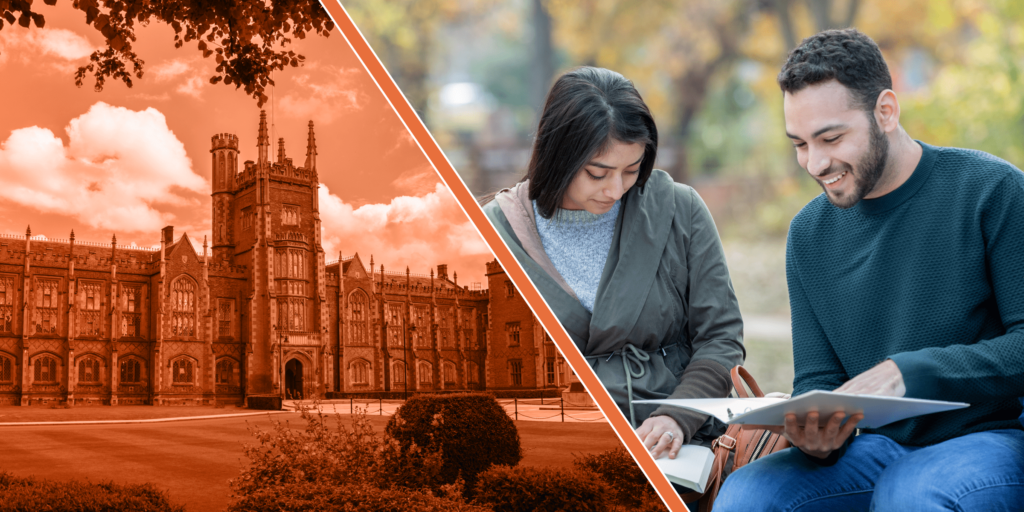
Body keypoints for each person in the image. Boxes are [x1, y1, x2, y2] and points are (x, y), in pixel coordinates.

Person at [715, 28, 1024, 511]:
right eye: (800, 144)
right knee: (747, 495)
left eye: (831, 138)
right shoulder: (808, 235)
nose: (816, 163)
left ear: (885, 112)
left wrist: (910, 372)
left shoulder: (991, 190)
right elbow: (817, 379)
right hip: (875, 450)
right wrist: (816, 435)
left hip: (990, 439)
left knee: (912, 492)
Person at [481, 66, 745, 465]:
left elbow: (721, 337)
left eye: (632, 170)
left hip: (678, 446)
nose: (616, 190)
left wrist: (678, 416)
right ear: (557, 156)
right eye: (597, 173)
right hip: (558, 444)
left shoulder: (680, 210)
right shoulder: (495, 233)